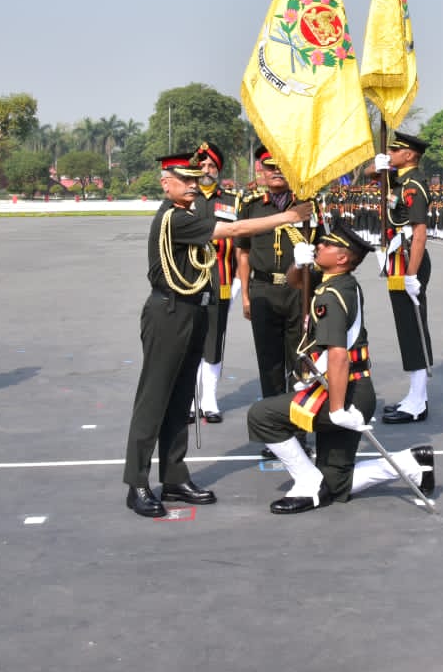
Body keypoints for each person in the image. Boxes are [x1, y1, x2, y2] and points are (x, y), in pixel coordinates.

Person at [123, 151, 313, 519]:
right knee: (154, 399)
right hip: (169, 312)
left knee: (181, 400)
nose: (195, 185)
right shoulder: (174, 218)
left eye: (198, 179)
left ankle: (175, 475)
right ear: (167, 184)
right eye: (187, 181)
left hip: (192, 308)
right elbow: (234, 230)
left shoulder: (191, 211)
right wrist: (290, 216)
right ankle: (138, 483)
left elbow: (225, 218)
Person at [247, 219, 435, 513]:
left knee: (261, 415)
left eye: (326, 245)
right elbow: (298, 283)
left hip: (343, 393)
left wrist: (336, 409)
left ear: (342, 257)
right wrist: (298, 265)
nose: (318, 245)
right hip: (350, 388)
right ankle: (411, 463)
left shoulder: (331, 295)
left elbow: (338, 355)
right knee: (336, 483)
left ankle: (308, 483)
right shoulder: (336, 282)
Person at [235, 146, 310, 403]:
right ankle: (277, 436)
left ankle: (298, 429)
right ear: (262, 171)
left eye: (282, 166)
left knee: (301, 361)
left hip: (298, 291)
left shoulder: (306, 205)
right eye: (270, 167)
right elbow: (243, 254)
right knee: (269, 363)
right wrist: (245, 296)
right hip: (263, 291)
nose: (276, 171)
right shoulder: (251, 207)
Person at [375, 131, 434, 425]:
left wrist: (412, 274)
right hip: (398, 260)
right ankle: (415, 395)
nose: (391, 153)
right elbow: (376, 180)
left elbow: (419, 232)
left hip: (410, 261)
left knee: (414, 329)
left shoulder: (414, 185)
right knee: (405, 328)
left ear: (409, 155)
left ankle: (418, 401)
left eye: (395, 151)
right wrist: (379, 167)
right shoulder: (400, 181)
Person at [190, 142, 239, 424]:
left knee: (214, 339)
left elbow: (242, 244)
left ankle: (209, 399)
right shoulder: (187, 198)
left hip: (222, 278)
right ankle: (190, 399)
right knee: (190, 339)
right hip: (190, 281)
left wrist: (240, 283)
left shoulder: (232, 201)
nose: (206, 171)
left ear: (218, 171)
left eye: (211, 167)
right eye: (202, 166)